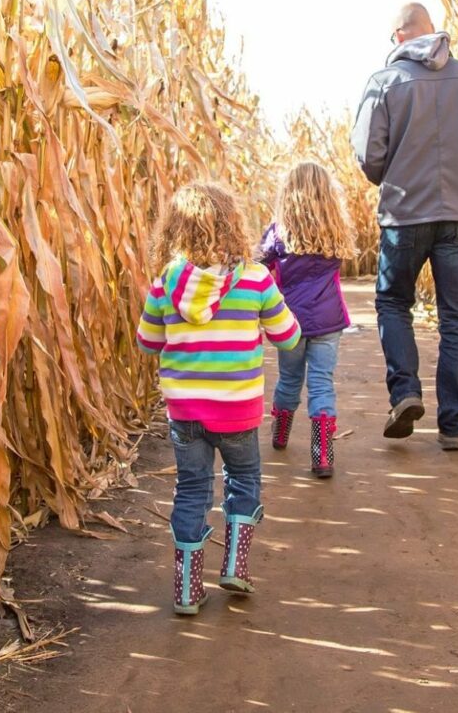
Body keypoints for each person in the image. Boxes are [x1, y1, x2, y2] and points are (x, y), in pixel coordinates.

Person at [135, 182, 302, 615]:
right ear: (233, 224)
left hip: (185, 410)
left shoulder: (166, 282)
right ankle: (235, 565)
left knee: (191, 490)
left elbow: (147, 342)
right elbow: (288, 337)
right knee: (243, 481)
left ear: (175, 229)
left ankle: (187, 591)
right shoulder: (255, 279)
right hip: (238, 409)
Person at [350, 2, 458, 451]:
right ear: (433, 32)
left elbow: (368, 156)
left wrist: (390, 176)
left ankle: (406, 393)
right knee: (457, 317)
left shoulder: (384, 83)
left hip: (404, 214)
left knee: (394, 302)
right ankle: (454, 425)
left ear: (399, 36)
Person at [258, 162, 357, 478]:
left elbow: (259, 264)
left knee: (289, 379)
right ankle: (322, 456)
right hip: (329, 321)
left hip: (291, 321)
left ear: (288, 194)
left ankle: (280, 434)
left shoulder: (277, 232)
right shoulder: (335, 229)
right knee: (321, 382)